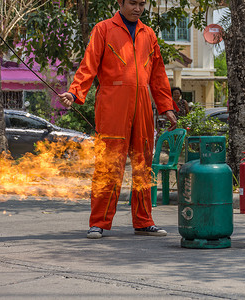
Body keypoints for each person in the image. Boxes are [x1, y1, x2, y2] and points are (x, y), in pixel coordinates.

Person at [58, 0, 178, 239]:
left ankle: (144, 221)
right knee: (109, 163)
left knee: (143, 163)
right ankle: (98, 223)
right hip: (112, 103)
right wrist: (74, 91)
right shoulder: (103, 29)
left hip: (143, 103)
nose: (138, 8)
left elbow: (158, 74)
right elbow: (88, 64)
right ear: (120, 3)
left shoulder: (148, 34)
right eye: (133, 3)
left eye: (142, 4)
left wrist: (166, 106)